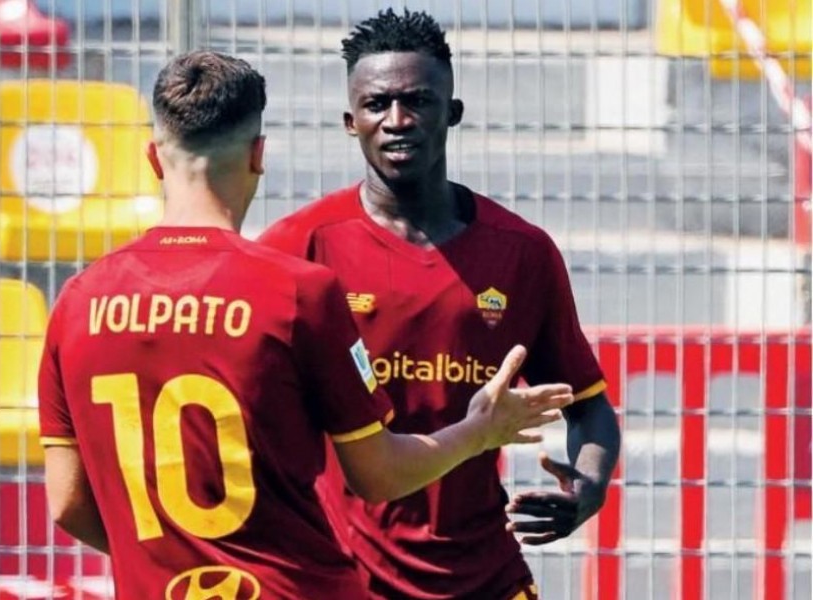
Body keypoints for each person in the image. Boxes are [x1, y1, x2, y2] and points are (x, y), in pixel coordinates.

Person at [37, 50, 574, 600]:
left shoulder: (79, 301)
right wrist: (478, 431)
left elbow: (67, 504)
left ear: (153, 159)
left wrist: (171, 559)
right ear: (258, 155)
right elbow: (379, 473)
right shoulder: (297, 292)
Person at [258, 8, 622, 599]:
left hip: (483, 575)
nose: (397, 121)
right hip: (341, 578)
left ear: (451, 113)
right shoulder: (299, 247)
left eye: (417, 102)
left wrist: (588, 487)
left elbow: (589, 408)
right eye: (377, 105)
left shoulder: (521, 253)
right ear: (351, 122)